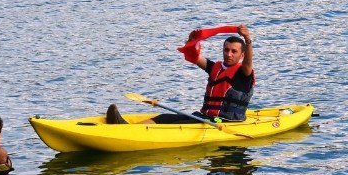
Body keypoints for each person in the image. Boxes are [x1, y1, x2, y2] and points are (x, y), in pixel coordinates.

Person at [106, 25, 255, 124]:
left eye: (234, 51)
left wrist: (247, 40)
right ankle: (125, 127)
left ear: (242, 54)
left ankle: (126, 130)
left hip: (225, 122)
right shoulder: (215, 67)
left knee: (176, 123)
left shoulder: (244, 73)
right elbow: (195, 58)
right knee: (163, 117)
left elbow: (248, 63)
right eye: (226, 50)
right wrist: (193, 42)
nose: (229, 54)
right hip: (205, 118)